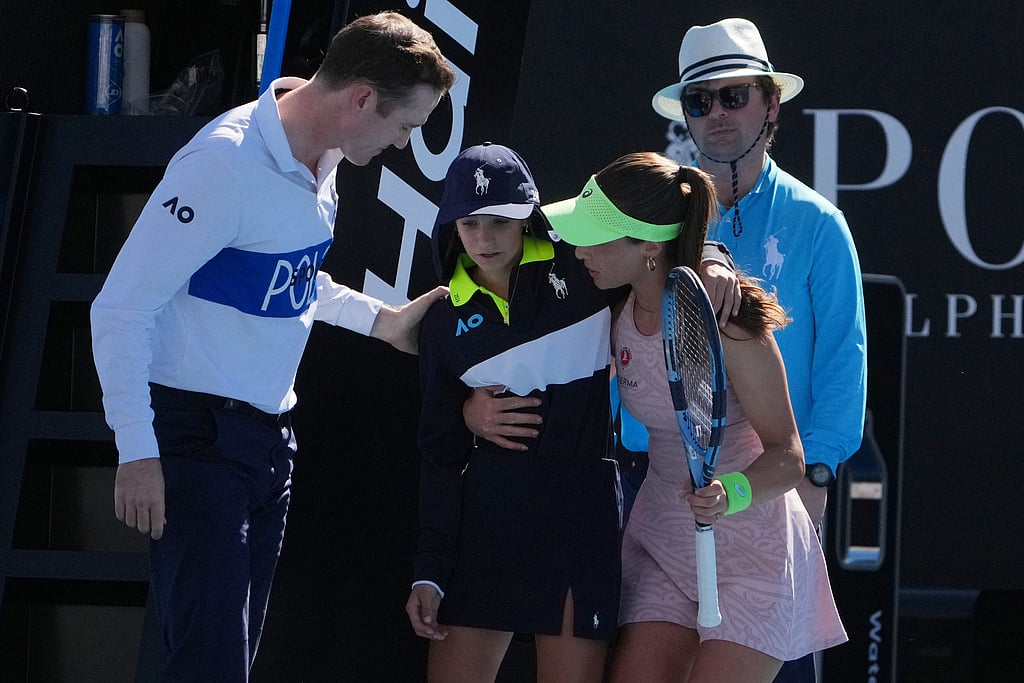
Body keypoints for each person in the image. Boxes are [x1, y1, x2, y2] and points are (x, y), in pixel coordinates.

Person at [89, 12, 455, 681]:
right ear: (362, 99)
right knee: (210, 667)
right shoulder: (221, 163)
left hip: (267, 447)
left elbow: (288, 278)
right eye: (405, 127)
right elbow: (120, 307)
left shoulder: (330, 159)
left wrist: (382, 321)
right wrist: (138, 450)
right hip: (195, 444)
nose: (404, 145)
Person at [544, 151, 847, 682]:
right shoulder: (611, 307)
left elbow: (789, 457)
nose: (578, 248)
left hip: (755, 547)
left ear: (649, 247)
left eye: (595, 235)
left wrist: (732, 494)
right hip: (662, 536)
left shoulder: (731, 324)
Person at [650, 18, 867, 681]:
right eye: (699, 100)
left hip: (773, 497)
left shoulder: (819, 224)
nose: (716, 114)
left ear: (771, 103)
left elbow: (841, 364)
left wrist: (815, 478)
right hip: (665, 495)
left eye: (734, 95)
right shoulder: (653, 221)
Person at [404, 142, 625, 682]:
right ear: (451, 227)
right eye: (470, 222)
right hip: (488, 521)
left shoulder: (584, 264)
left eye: (501, 221)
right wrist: (430, 572)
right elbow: (439, 456)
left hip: (582, 512)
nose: (484, 238)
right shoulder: (440, 321)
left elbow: (661, 252)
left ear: (528, 216)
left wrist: (713, 258)